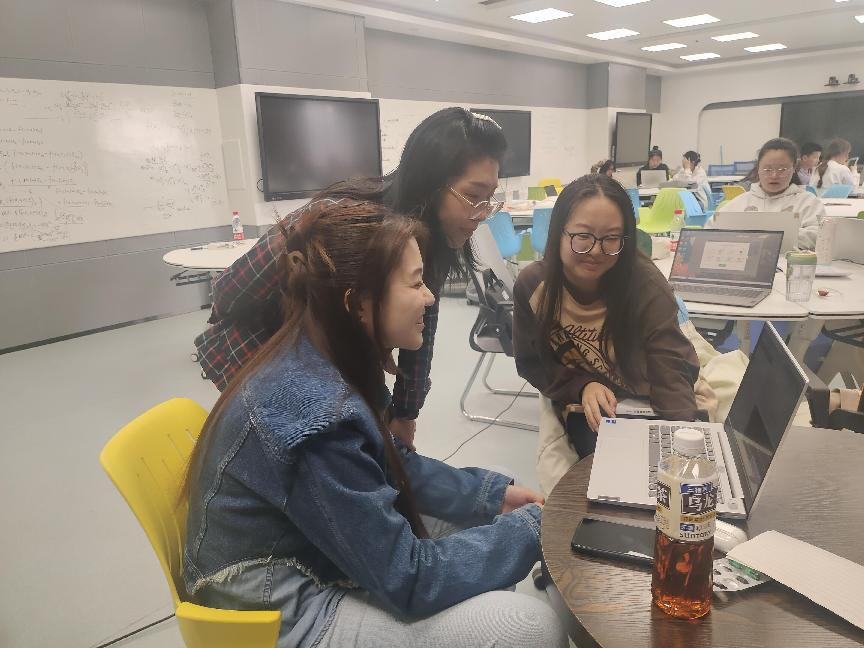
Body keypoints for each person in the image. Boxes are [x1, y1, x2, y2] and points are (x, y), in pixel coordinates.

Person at [183, 200, 567, 648]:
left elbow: (391, 461)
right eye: (416, 283)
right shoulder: (315, 417)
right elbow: (410, 579)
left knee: (489, 516)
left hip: (304, 547)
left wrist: (489, 495)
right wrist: (535, 529)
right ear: (358, 304)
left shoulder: (326, 351)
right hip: (275, 605)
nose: (430, 297)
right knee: (528, 627)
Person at [194, 107, 508, 449]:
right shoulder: (340, 222)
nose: (482, 213)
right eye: (473, 196)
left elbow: (421, 329)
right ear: (429, 183)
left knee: (368, 446)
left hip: (340, 357)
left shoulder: (435, 234)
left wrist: (406, 412)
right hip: (260, 350)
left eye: (490, 198)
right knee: (319, 450)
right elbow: (230, 291)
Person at [512, 174, 703, 459]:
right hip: (592, 406)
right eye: (582, 236)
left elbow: (670, 370)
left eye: (611, 238)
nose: (596, 251)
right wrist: (581, 386)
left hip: (646, 400)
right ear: (558, 233)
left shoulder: (645, 285)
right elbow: (534, 364)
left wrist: (682, 444)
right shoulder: (534, 287)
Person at [711, 138, 826, 249]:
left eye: (782, 170)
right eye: (767, 170)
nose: (774, 175)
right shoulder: (740, 203)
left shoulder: (807, 202)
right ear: (758, 168)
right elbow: (710, 230)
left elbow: (820, 235)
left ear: (794, 168)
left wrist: (770, 238)